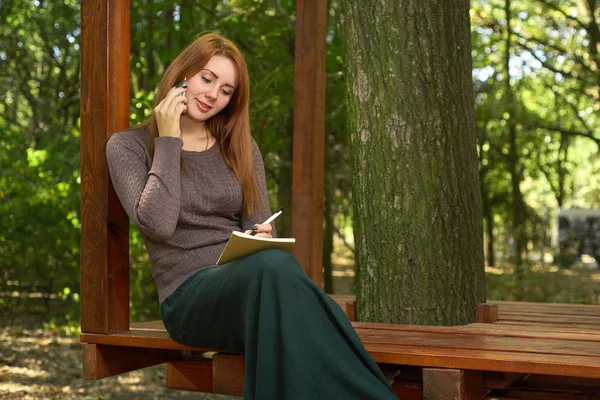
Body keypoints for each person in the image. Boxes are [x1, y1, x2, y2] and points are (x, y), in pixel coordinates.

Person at [106, 32, 396, 400]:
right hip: (188, 301)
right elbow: (159, 225)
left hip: (253, 287)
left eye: (226, 90)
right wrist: (168, 139)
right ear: (183, 74)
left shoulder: (239, 147)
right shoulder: (127, 146)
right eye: (207, 79)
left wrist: (261, 236)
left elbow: (261, 222)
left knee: (278, 268)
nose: (213, 95)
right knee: (281, 274)